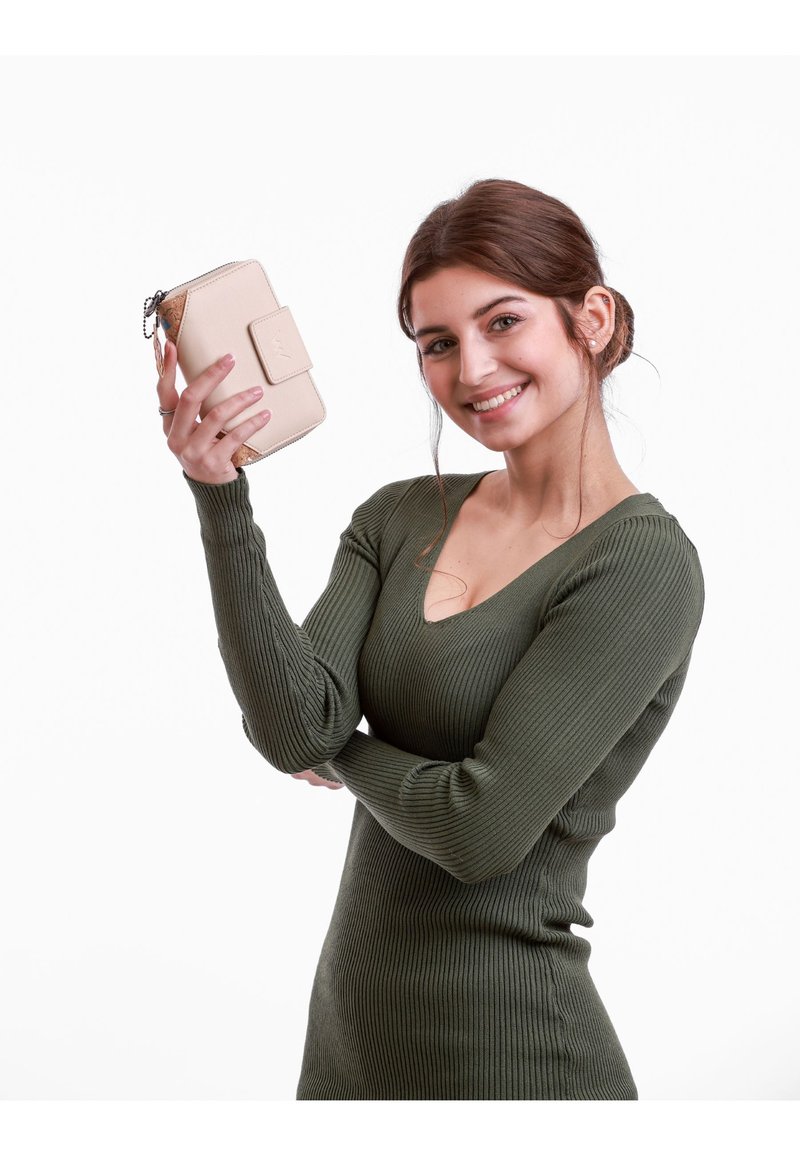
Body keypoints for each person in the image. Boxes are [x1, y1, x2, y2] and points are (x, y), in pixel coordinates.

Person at [155, 178, 705, 1100]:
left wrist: (350, 757)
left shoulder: (639, 567)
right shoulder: (397, 517)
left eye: (503, 323)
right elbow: (295, 727)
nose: (473, 370)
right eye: (438, 343)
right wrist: (219, 492)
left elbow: (477, 828)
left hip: (513, 1054)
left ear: (593, 318)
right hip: (347, 1038)